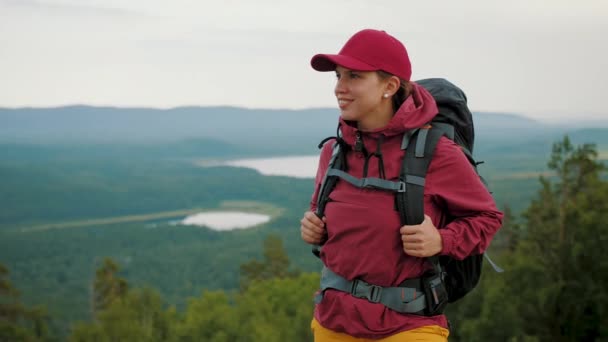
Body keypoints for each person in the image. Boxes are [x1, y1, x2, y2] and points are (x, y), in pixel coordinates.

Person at [300, 29, 503, 341]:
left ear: (390, 86)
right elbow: (323, 213)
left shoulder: (435, 152)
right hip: (333, 323)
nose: (340, 88)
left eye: (354, 76)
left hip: (407, 327)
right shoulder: (335, 151)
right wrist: (315, 226)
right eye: (338, 76)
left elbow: (488, 218)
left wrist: (442, 240)